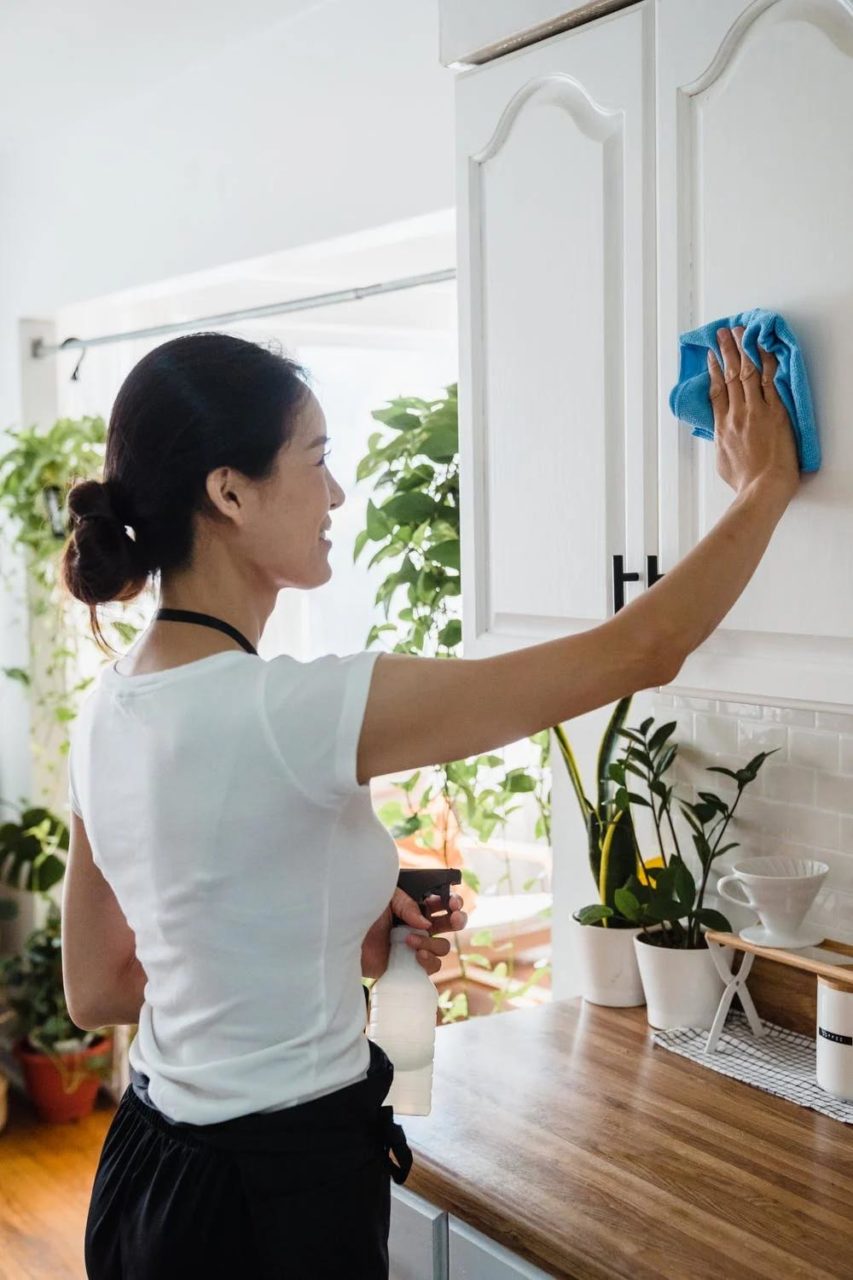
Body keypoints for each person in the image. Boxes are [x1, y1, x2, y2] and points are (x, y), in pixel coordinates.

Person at [59, 325, 798, 1279]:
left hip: (147, 1175)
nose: (336, 493)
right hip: (275, 1201)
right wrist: (764, 486)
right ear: (229, 491)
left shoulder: (108, 706)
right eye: (317, 460)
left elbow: (101, 987)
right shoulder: (295, 709)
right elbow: (640, 651)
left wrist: (312, 937)